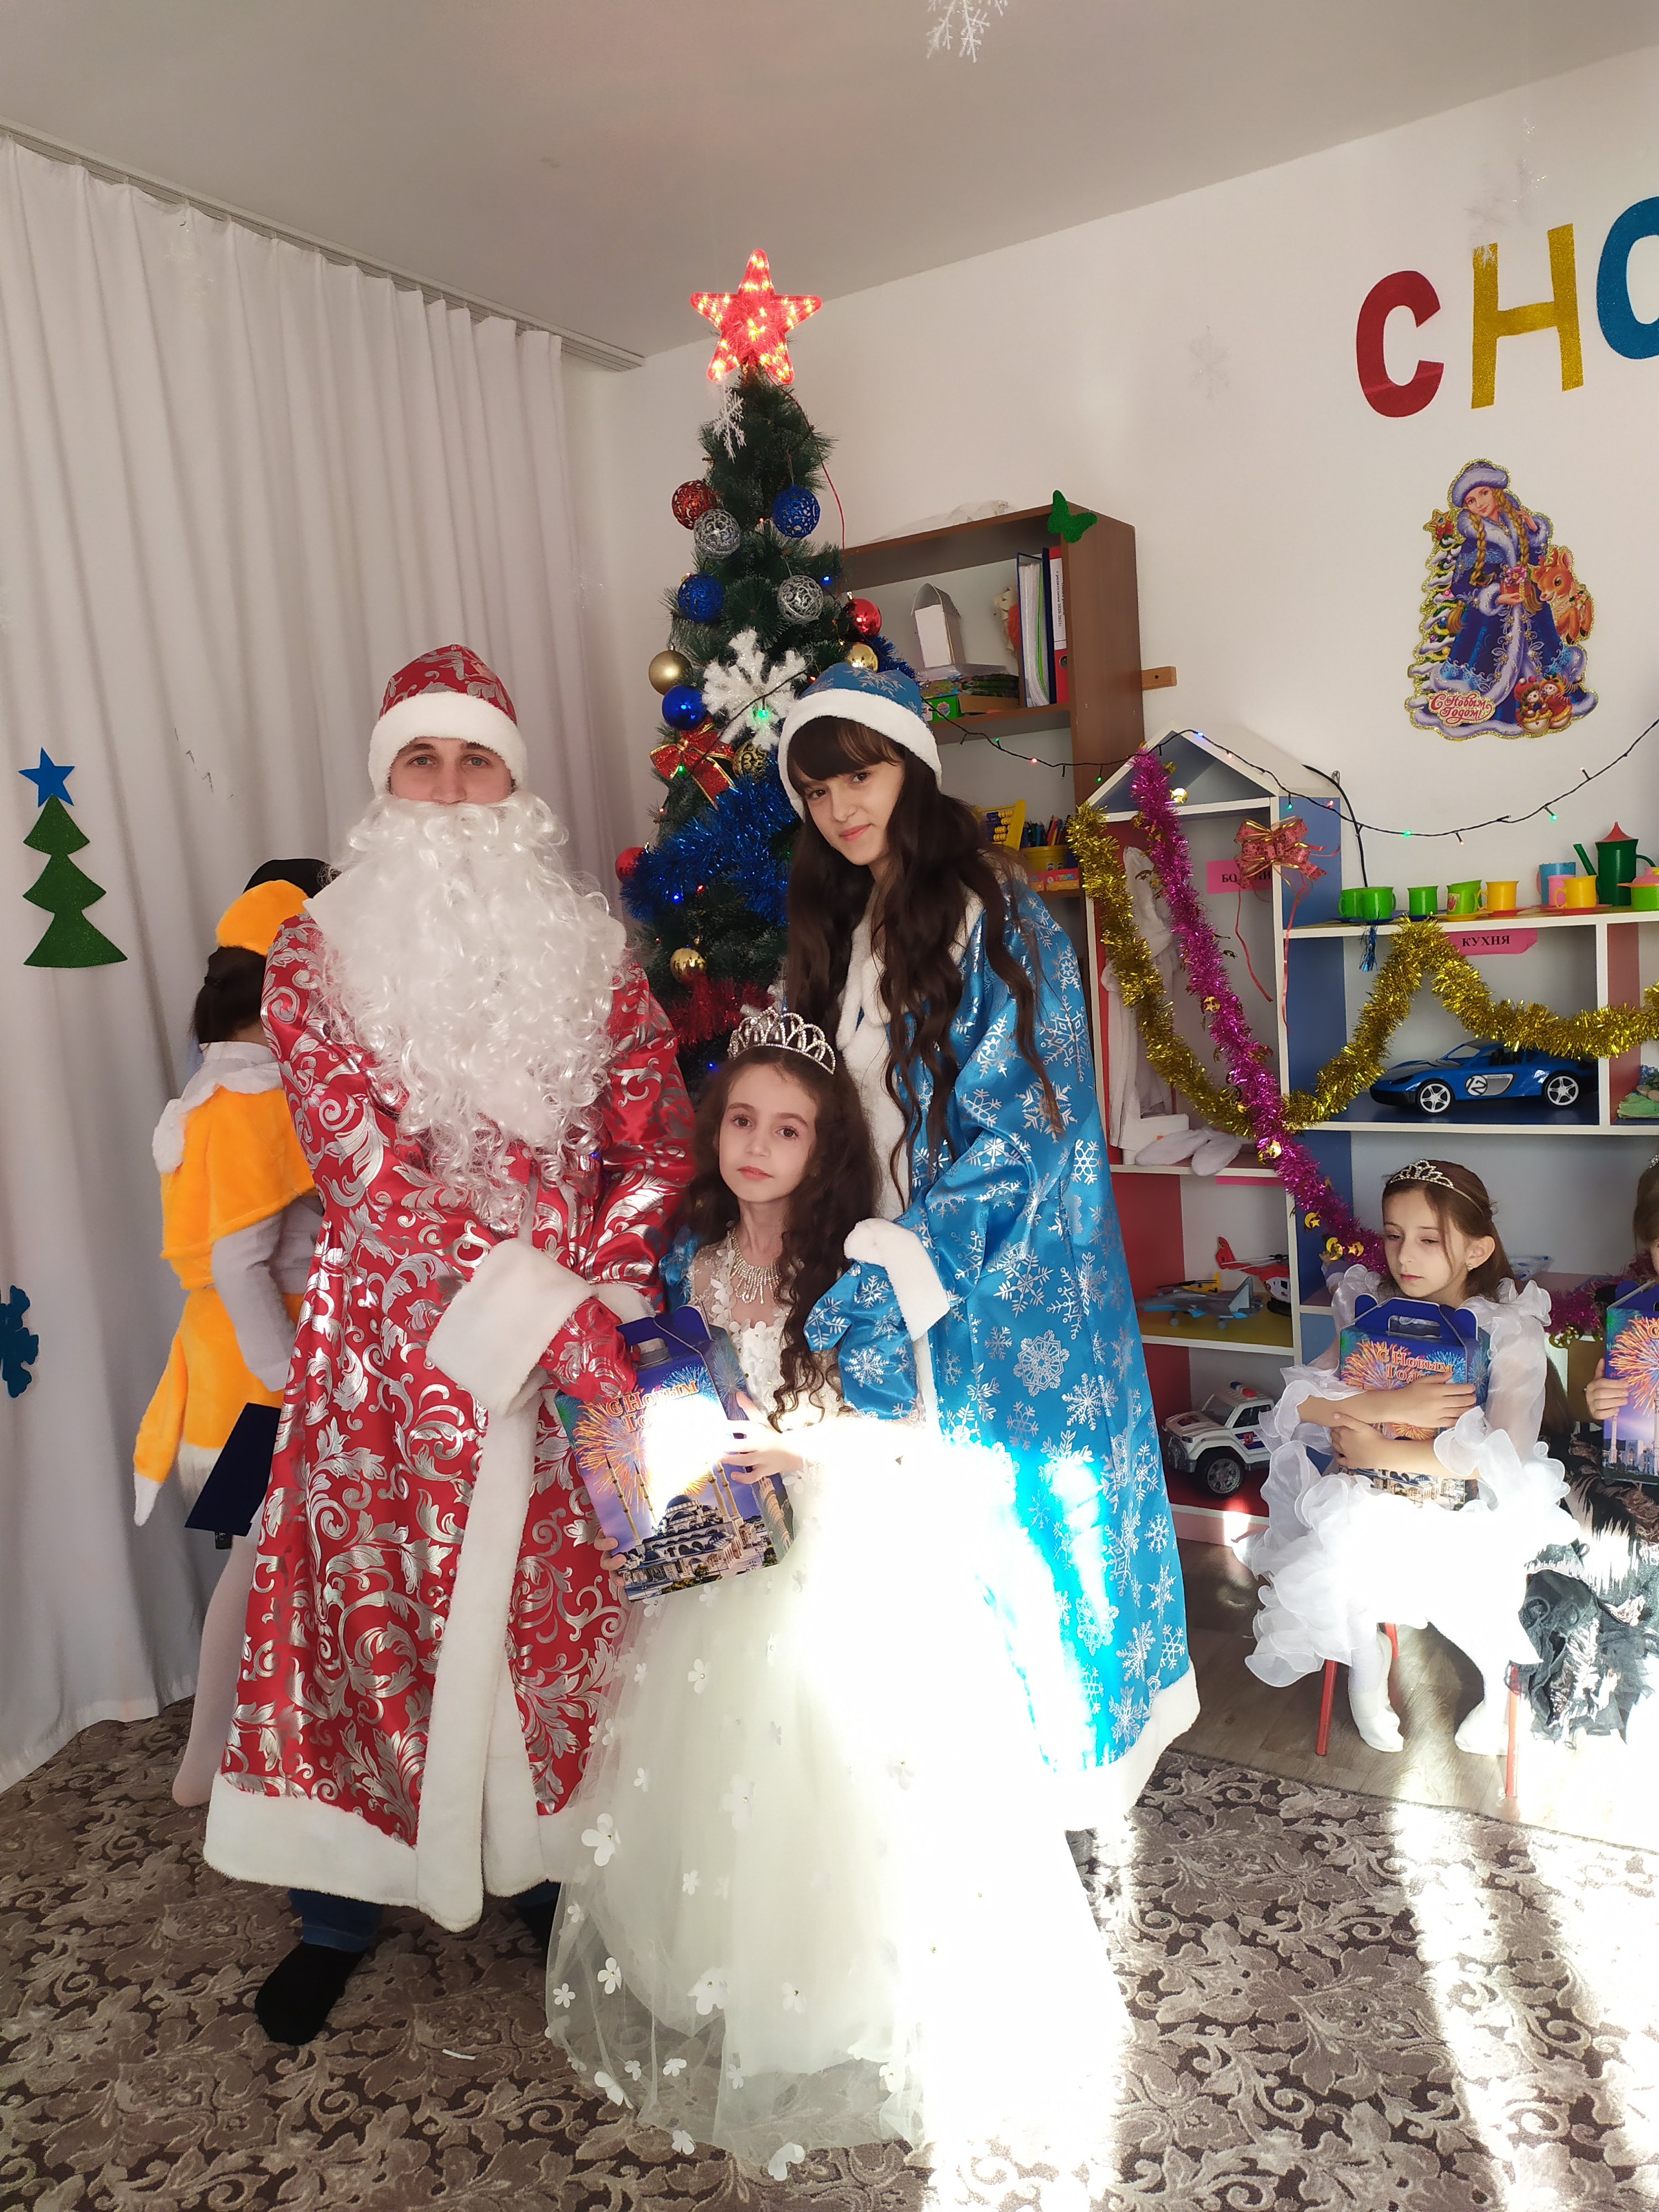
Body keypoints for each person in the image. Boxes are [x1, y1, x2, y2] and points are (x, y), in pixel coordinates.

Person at [201, 645, 693, 2043]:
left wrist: (607, 1281)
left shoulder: (589, 949)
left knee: (553, 1610)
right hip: (390, 1349)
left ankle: (535, 1859)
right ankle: (337, 1901)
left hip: (570, 1343)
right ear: (386, 785)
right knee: (376, 1606)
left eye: (476, 760)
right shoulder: (313, 953)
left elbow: (654, 1134)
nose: (451, 786)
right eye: (423, 760)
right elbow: (360, 1172)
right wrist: (538, 1300)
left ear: (513, 786)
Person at [546, 1008, 1123, 2174]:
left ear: (825, 1148)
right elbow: (672, 1391)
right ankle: (732, 1963)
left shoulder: (857, 1268)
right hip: (727, 1549)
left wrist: (799, 1444)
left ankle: (843, 1984)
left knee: (837, 1754)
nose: (758, 1146)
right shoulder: (692, 1261)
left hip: (839, 1538)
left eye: (788, 1129)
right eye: (742, 1121)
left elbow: (908, 1429)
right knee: (726, 1763)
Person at [773, 661, 1197, 1825]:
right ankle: (936, 1793)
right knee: (914, 1546)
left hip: (998, 1285)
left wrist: (906, 1266)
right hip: (875, 1273)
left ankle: (1048, 1788)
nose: (842, 806)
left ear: (910, 769)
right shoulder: (832, 927)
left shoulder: (995, 912)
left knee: (1022, 1532)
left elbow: (1028, 1126)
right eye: (817, 790)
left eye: (860, 776)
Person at [1242, 1160, 1575, 1752]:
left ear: (1477, 1250)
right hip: (1369, 1495)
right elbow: (1300, 1402)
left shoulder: (1509, 1328)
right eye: (1394, 1235)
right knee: (1339, 1568)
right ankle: (1366, 1664)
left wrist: (1380, 1445)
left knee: (1471, 1603)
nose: (1404, 1256)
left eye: (1428, 1240)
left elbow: (1501, 1456)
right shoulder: (1371, 1307)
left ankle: (1499, 1690)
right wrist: (1390, 1403)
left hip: (1466, 1508)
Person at [135, 867, 330, 1809]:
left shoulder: (211, 1090)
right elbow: (241, 1261)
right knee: (259, 1563)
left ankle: (233, 1749)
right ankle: (208, 1758)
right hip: (261, 1372)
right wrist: (296, 1390)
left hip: (225, 1362)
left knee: (262, 1561)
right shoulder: (258, 1099)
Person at [1417, 460, 1595, 733]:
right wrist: (1493, 597)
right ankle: (1491, 710)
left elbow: (1534, 560)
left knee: (1540, 656)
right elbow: (1460, 586)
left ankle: (1548, 704)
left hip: (1529, 604)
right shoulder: (1474, 542)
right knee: (1489, 663)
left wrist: (1534, 533)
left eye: (1484, 493)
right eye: (1471, 501)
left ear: (1496, 492)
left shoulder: (1517, 525)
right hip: (1489, 618)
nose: (1479, 504)